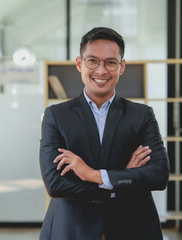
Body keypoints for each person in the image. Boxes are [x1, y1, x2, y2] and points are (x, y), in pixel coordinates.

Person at [39, 27, 170, 240]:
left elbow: (158, 175)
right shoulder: (56, 115)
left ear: (122, 66)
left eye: (110, 62)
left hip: (133, 227)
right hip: (72, 228)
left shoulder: (142, 115)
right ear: (79, 63)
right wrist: (119, 181)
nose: (101, 71)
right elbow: (55, 183)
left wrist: (92, 175)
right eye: (92, 61)